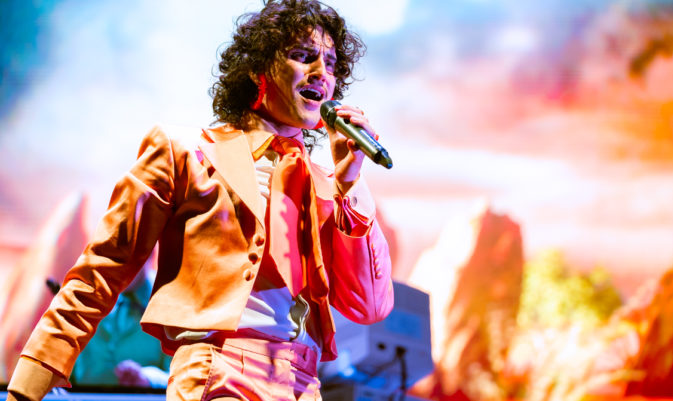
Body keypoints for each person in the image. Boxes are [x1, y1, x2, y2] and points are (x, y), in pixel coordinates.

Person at [7, 0, 394, 400]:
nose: (321, 73)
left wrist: (350, 182)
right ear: (257, 68)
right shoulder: (185, 152)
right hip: (218, 371)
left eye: (330, 64)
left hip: (302, 382)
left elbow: (369, 306)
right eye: (303, 56)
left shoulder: (324, 184)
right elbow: (103, 269)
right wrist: (29, 382)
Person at [70, 254, 170, 388]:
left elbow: (184, 380)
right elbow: (83, 376)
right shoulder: (89, 299)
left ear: (149, 253)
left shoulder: (173, 303)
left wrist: (148, 379)